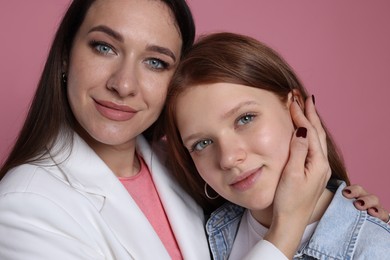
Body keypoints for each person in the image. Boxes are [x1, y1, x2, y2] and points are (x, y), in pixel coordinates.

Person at [0, 0, 387, 259]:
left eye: (155, 62)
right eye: (104, 47)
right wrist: (288, 226)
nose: (124, 84)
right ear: (66, 54)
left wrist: (344, 213)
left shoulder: (187, 167)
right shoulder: (24, 205)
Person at [162, 32, 390, 259]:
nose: (228, 158)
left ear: (296, 108)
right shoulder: (196, 234)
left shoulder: (375, 250)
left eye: (245, 119)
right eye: (202, 143)